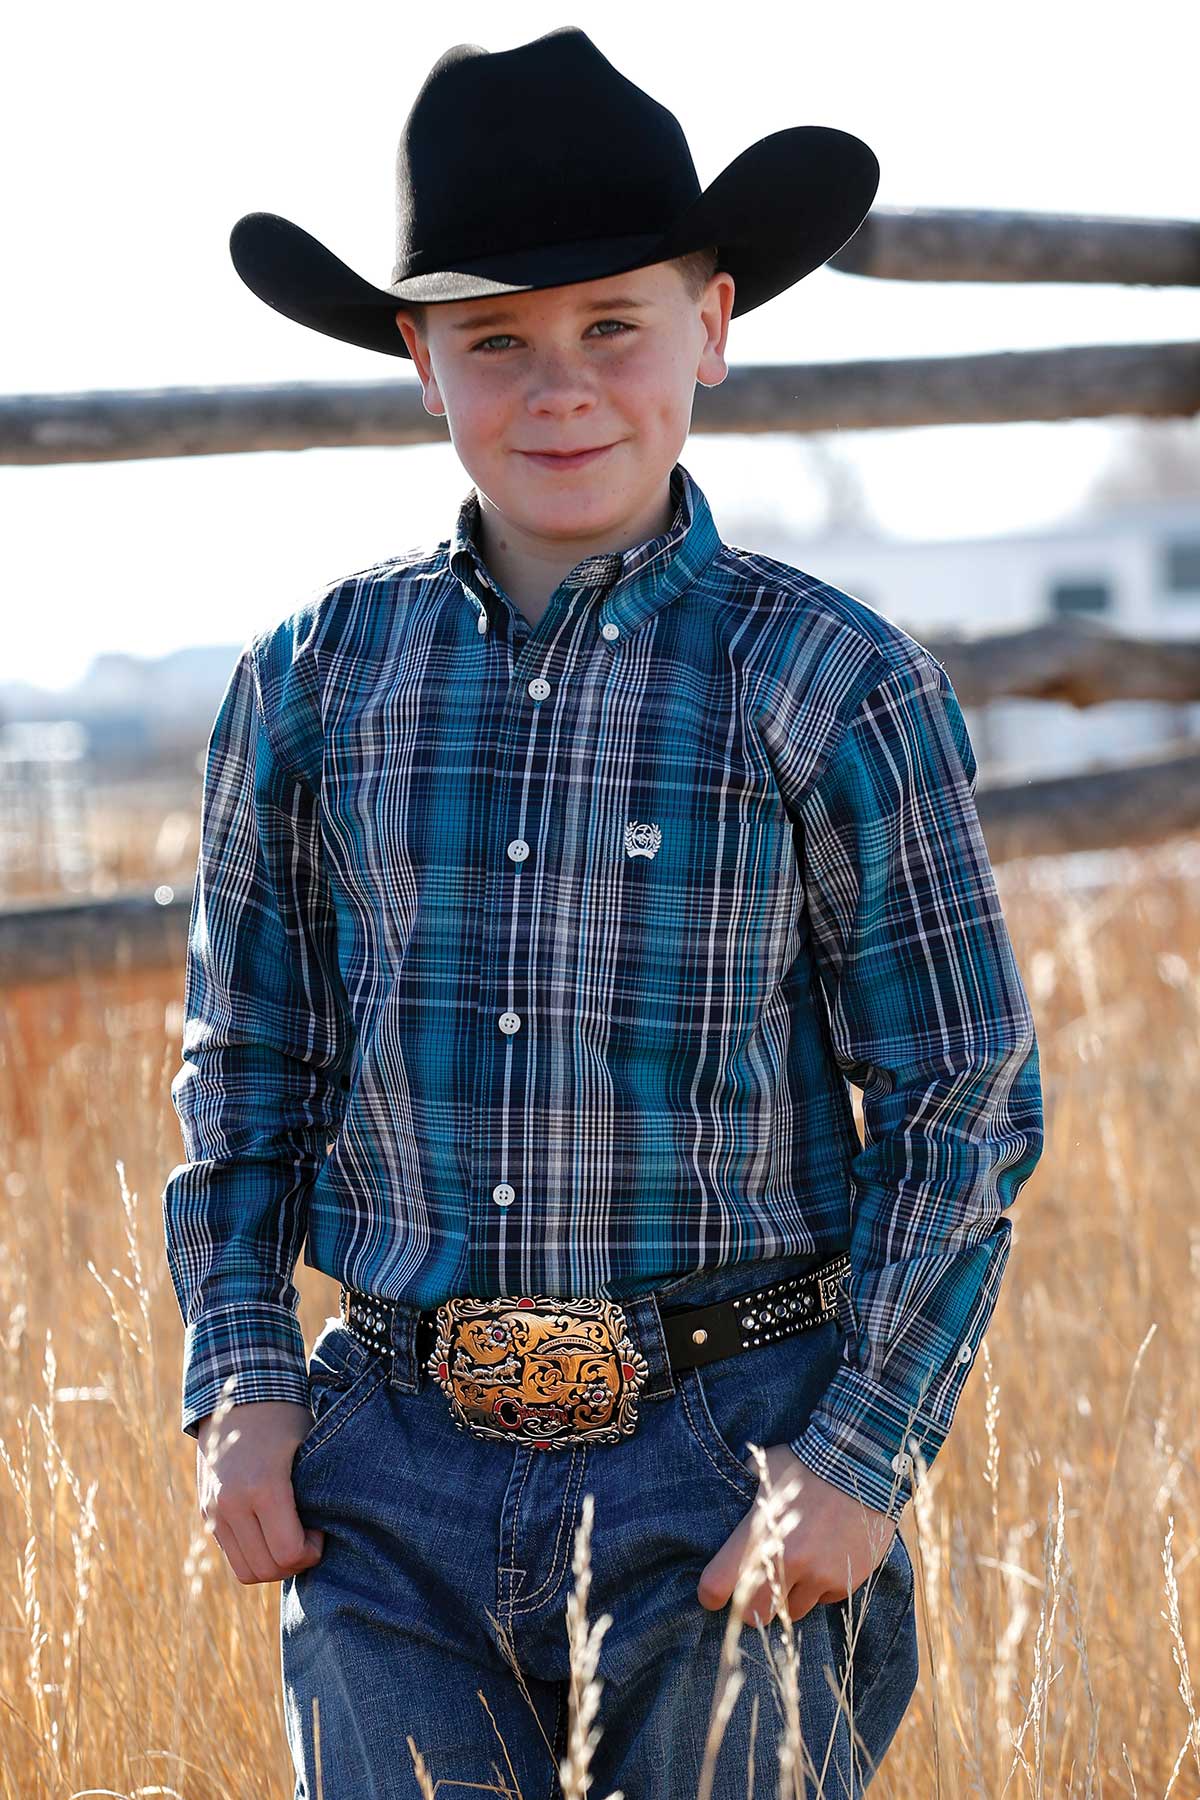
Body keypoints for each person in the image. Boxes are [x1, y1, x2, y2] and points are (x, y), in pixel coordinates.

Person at [162, 26, 1044, 1799]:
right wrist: (245, 1374)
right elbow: (246, 1055)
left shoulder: (833, 683)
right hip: (388, 1477)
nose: (561, 387)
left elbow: (961, 1091)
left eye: (613, 327)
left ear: (713, 323)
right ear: (423, 363)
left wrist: (862, 1457)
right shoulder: (314, 683)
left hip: (733, 1455)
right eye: (496, 339)